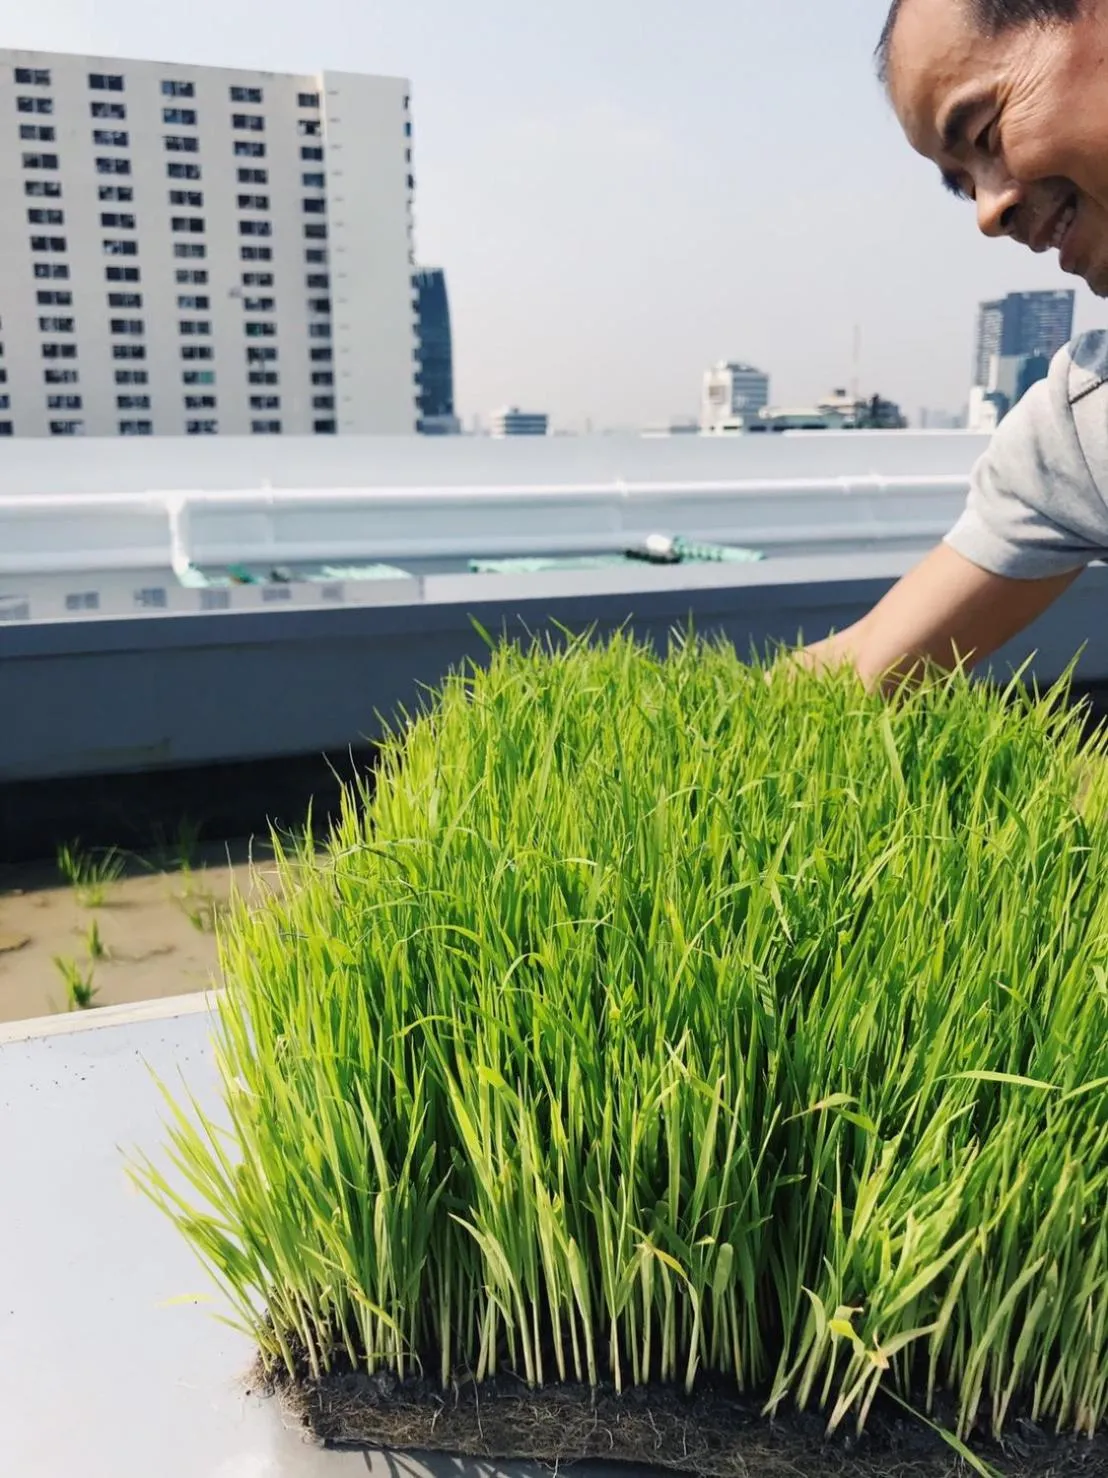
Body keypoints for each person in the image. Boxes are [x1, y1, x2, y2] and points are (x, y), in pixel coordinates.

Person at [802, 0, 1108, 687]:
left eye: (987, 132)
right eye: (963, 184)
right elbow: (861, 663)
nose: (988, 214)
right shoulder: (1088, 432)